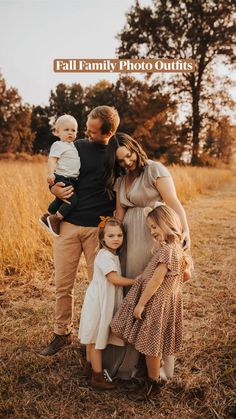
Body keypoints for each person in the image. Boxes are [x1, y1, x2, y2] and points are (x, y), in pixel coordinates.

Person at [103, 132, 191, 381]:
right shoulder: (121, 179)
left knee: (155, 296)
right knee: (133, 295)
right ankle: (132, 364)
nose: (127, 163)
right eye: (120, 161)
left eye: (128, 156)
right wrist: (111, 247)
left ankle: (158, 365)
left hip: (156, 236)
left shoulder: (155, 170)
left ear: (135, 149)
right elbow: (119, 216)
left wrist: (184, 236)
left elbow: (173, 203)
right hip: (129, 240)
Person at [40, 106, 120, 356]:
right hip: (69, 226)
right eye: (86, 127)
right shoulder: (75, 146)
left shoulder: (117, 152)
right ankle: (61, 333)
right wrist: (53, 189)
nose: (85, 133)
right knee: (64, 285)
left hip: (99, 231)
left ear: (108, 132)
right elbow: (56, 172)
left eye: (92, 131)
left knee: (99, 287)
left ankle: (95, 338)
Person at [111, 204, 191, 400]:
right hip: (163, 303)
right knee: (147, 343)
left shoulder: (167, 251)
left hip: (155, 304)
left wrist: (141, 304)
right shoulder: (176, 250)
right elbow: (186, 275)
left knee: (150, 346)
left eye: (154, 227)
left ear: (167, 223)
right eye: (150, 228)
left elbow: (157, 280)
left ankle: (153, 385)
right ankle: (154, 371)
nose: (152, 232)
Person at [78, 217, 136, 390]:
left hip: (101, 300)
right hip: (99, 303)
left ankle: (89, 368)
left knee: (92, 337)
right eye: (111, 236)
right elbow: (114, 279)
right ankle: (97, 377)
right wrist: (135, 281)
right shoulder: (104, 256)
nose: (116, 239)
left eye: (119, 235)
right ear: (102, 238)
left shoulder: (111, 254)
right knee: (96, 341)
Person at [39, 114, 81, 237]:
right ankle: (55, 219)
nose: (70, 133)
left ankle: (47, 215)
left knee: (59, 199)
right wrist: (51, 173)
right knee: (72, 200)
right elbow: (52, 159)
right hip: (62, 177)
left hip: (71, 179)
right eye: (66, 130)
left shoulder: (73, 146)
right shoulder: (58, 145)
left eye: (73, 130)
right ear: (57, 132)